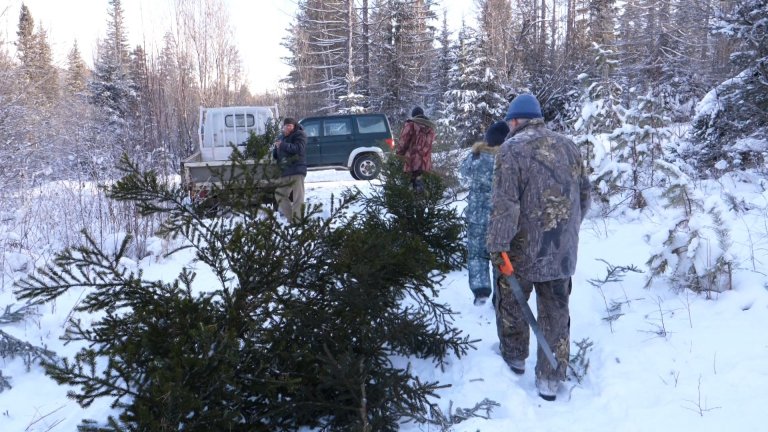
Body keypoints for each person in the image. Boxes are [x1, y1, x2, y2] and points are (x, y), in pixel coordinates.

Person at [486, 93, 591, 401]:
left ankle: (515, 357)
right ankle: (550, 379)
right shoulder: (570, 147)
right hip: (561, 251)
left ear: (515, 120)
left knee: (512, 304)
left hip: (520, 252)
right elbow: (584, 197)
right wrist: (565, 232)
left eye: (509, 121)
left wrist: (497, 247)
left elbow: (504, 205)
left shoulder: (511, 150)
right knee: (556, 312)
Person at [459, 120, 510, 306]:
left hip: (476, 217)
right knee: (501, 256)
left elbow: (462, 174)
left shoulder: (476, 157)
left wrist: (474, 153)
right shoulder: (508, 160)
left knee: (477, 255)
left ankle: (481, 291)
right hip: (501, 218)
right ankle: (501, 294)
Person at [272, 117, 307, 221]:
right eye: (286, 126)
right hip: (285, 172)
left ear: (294, 126)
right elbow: (278, 155)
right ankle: (291, 219)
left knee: (298, 198)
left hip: (297, 170)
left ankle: (297, 221)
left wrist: (282, 145)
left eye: (290, 126)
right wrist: (276, 150)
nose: (287, 128)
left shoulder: (300, 135)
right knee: (279, 194)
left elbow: (298, 149)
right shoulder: (282, 137)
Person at [396, 106, 436, 192]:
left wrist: (399, 154)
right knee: (422, 188)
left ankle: (412, 202)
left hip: (411, 162)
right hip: (426, 164)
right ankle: (421, 202)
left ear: (413, 115)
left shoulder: (411, 125)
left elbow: (403, 141)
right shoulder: (431, 128)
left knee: (409, 189)